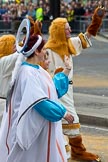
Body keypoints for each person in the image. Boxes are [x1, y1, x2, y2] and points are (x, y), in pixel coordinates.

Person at [0, 18, 74, 162]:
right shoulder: (26, 72)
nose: (46, 51)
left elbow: (51, 92)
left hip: (43, 127)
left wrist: (66, 70)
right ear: (37, 51)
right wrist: (62, 112)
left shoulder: (39, 70)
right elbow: (38, 101)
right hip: (35, 127)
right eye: (44, 49)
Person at [44, 6, 105, 162]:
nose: (70, 30)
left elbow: (86, 37)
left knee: (62, 120)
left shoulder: (69, 43)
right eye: (66, 28)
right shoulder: (48, 50)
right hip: (57, 89)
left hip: (68, 87)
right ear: (58, 31)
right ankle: (73, 151)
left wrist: (96, 21)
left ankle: (68, 151)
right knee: (70, 118)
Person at [0, 34, 18, 99]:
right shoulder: (3, 61)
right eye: (13, 44)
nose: (16, 46)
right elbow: (19, 55)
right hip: (3, 102)